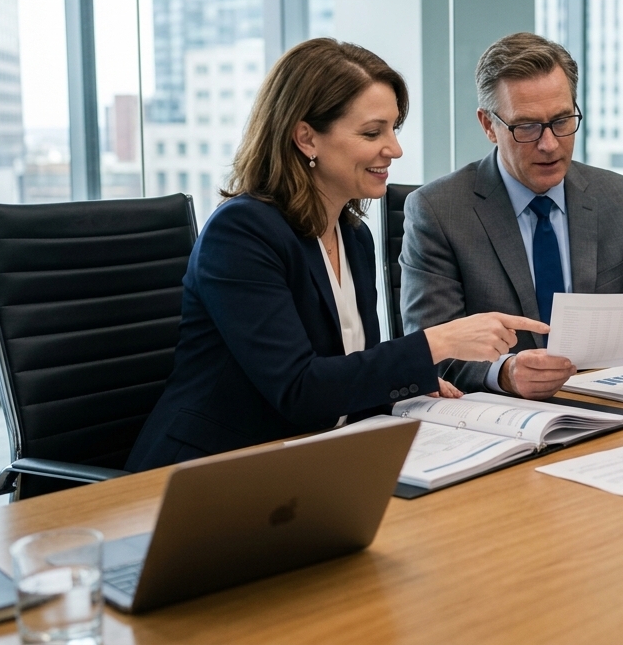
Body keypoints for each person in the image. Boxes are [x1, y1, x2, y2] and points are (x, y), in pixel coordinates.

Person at [127, 39, 545, 472]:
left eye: (393, 129)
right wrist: (437, 342)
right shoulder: (241, 233)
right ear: (306, 137)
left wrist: (408, 386)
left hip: (314, 462)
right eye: (372, 132)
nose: (394, 149)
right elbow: (299, 388)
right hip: (210, 472)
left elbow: (343, 372)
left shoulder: (353, 236)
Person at [400, 32, 623, 399]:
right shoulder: (438, 210)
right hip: (505, 419)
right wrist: (505, 372)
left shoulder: (617, 197)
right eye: (526, 127)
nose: (549, 144)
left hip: (612, 407)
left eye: (561, 120)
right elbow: (428, 350)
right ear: (489, 125)